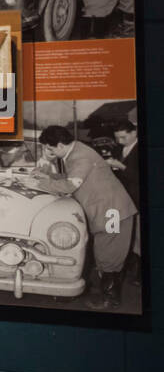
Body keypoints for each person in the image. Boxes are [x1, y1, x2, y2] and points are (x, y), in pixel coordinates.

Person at [34, 125, 137, 309]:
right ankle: (107, 293)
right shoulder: (77, 151)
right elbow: (70, 177)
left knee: (109, 255)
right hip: (110, 209)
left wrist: (41, 182)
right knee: (104, 253)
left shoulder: (80, 156)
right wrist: (49, 175)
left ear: (58, 145)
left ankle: (110, 299)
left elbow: (69, 186)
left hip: (112, 211)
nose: (48, 152)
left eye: (49, 148)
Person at [106, 118, 139, 207]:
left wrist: (121, 166)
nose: (120, 141)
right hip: (121, 196)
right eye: (116, 138)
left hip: (137, 198)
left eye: (123, 137)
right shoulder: (117, 149)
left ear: (134, 133)